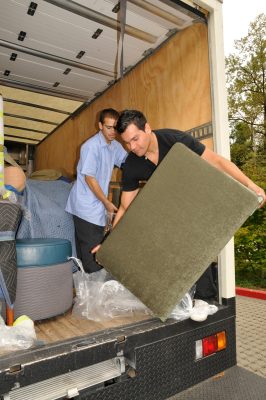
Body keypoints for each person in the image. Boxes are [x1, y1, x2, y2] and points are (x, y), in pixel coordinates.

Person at [112, 109, 265, 228]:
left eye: (135, 139)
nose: (132, 147)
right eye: (127, 143)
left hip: (195, 204)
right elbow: (125, 207)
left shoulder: (175, 140)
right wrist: (108, 244)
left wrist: (249, 184)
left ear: (147, 128)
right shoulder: (132, 164)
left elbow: (217, 161)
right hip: (168, 214)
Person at [66, 108, 127, 273]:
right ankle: (93, 293)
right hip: (85, 207)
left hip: (97, 205)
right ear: (100, 125)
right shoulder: (90, 147)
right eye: (108, 127)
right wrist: (107, 202)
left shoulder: (115, 146)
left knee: (93, 252)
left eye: (116, 127)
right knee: (93, 257)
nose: (113, 132)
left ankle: (89, 290)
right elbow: (89, 178)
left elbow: (126, 163)